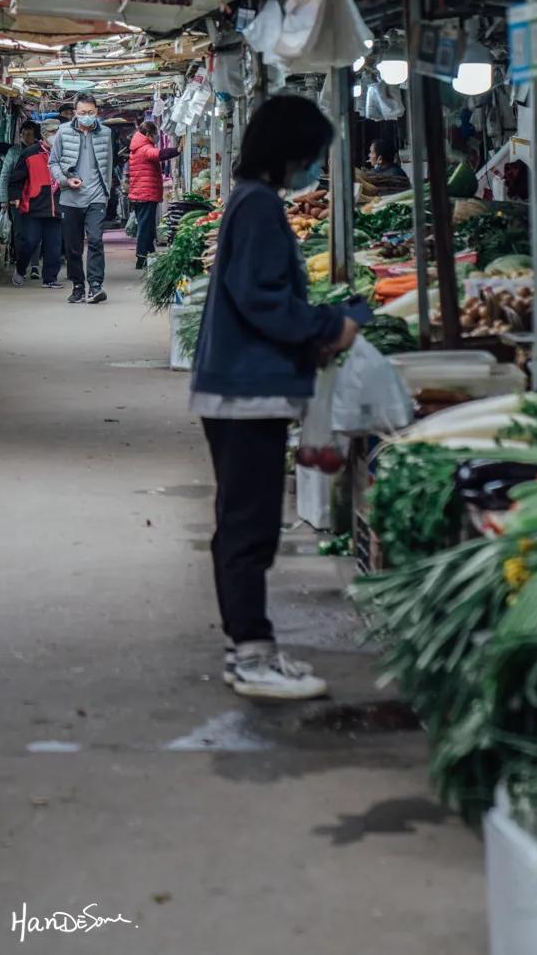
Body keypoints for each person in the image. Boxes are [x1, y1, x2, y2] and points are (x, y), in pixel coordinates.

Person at [189, 94, 370, 702]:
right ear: (291, 152)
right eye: (314, 155)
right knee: (248, 525)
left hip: (243, 388)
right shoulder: (260, 207)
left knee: (247, 522)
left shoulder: (251, 201)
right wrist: (325, 327)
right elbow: (261, 298)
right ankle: (250, 655)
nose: (315, 166)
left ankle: (252, 645)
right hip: (246, 392)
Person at [48, 93, 114, 304]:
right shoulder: (63, 131)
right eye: (83, 113)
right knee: (73, 246)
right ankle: (78, 286)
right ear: (75, 113)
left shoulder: (106, 133)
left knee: (96, 240)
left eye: (91, 113)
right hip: (71, 198)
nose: (87, 116)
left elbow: (108, 165)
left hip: (96, 196)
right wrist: (66, 182)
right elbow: (53, 163)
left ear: (97, 112)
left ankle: (95, 286)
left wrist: (106, 193)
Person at [10, 127, 63, 288]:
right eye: (52, 133)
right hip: (34, 204)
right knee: (30, 241)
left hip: (56, 205)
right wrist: (15, 197)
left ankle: (50, 278)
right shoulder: (30, 153)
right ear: (44, 135)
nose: (54, 136)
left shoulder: (65, 153)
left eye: (57, 133)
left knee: (54, 245)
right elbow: (16, 178)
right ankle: (20, 269)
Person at [127, 119, 164, 269]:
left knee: (146, 226)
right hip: (146, 194)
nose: (156, 136)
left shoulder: (137, 146)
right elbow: (159, 155)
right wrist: (178, 151)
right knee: (144, 227)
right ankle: (141, 257)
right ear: (148, 133)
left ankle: (150, 255)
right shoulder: (144, 148)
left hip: (140, 193)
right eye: (154, 133)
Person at [0, 123, 38, 262]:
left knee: (35, 231)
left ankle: (34, 263)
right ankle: (21, 260)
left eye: (31, 134)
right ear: (20, 135)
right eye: (25, 134)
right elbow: (4, 176)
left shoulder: (39, 150)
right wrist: (4, 199)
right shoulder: (14, 152)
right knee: (19, 231)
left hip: (36, 197)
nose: (27, 137)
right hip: (17, 198)